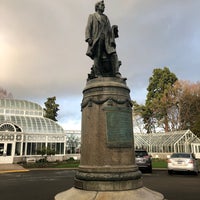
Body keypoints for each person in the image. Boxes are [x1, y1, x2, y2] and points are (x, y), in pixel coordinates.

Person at [85, 0, 120, 77]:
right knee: (97, 56)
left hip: (107, 40)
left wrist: (113, 29)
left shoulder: (106, 17)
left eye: (104, 6)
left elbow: (109, 30)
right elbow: (88, 28)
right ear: (97, 7)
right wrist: (88, 38)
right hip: (97, 39)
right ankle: (98, 73)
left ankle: (116, 72)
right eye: (102, 5)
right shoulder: (92, 16)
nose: (104, 7)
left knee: (113, 54)